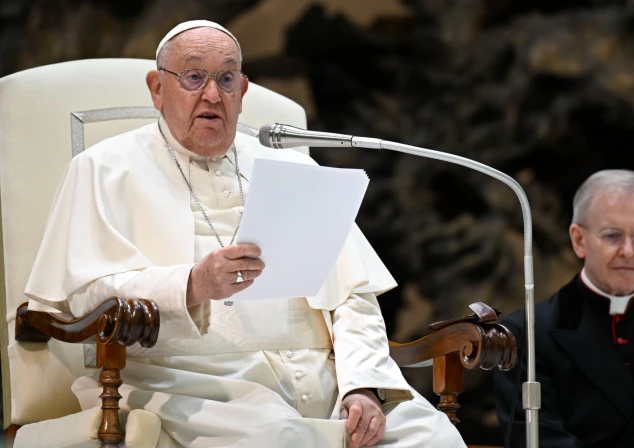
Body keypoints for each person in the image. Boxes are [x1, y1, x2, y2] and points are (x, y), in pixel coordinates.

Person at [21, 20, 465, 448]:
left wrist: (363, 386)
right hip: (192, 383)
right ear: (157, 88)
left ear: (243, 90)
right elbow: (86, 297)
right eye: (193, 77)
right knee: (281, 438)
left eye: (226, 79)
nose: (212, 94)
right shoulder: (104, 169)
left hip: (325, 383)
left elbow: (353, 295)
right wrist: (193, 284)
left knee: (436, 437)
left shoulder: (294, 167)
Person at [493, 169, 634, 448]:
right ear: (579, 240)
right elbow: (539, 439)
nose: (628, 251)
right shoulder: (526, 335)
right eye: (613, 236)